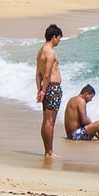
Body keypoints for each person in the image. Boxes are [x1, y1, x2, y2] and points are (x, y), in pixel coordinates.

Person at [35, 24, 65, 157]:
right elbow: (46, 74)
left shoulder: (41, 50)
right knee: (50, 122)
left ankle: (47, 150)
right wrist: (43, 92)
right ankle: (49, 151)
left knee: (46, 120)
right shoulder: (50, 52)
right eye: (58, 38)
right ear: (54, 37)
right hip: (52, 88)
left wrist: (40, 90)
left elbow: (38, 75)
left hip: (46, 88)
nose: (59, 41)